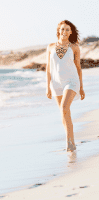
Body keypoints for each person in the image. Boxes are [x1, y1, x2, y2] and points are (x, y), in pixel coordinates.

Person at [46, 20, 85, 152]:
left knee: (64, 107)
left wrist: (81, 87)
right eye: (62, 29)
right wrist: (48, 87)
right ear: (58, 31)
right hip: (56, 83)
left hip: (71, 81)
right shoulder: (50, 47)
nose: (64, 32)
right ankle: (71, 140)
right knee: (64, 113)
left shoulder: (74, 47)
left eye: (67, 29)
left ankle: (70, 144)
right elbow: (48, 68)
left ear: (71, 32)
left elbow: (79, 68)